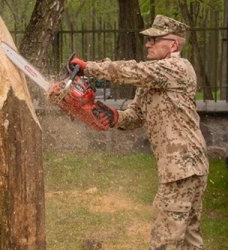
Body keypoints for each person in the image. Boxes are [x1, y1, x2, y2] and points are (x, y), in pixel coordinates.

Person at [70, 15, 209, 249]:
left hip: (182, 167)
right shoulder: (154, 80)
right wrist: (109, 116)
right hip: (184, 168)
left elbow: (133, 71)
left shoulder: (177, 67)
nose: (148, 44)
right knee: (188, 240)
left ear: (173, 45)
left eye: (155, 39)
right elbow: (134, 116)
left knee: (164, 241)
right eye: (148, 40)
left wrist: (90, 68)